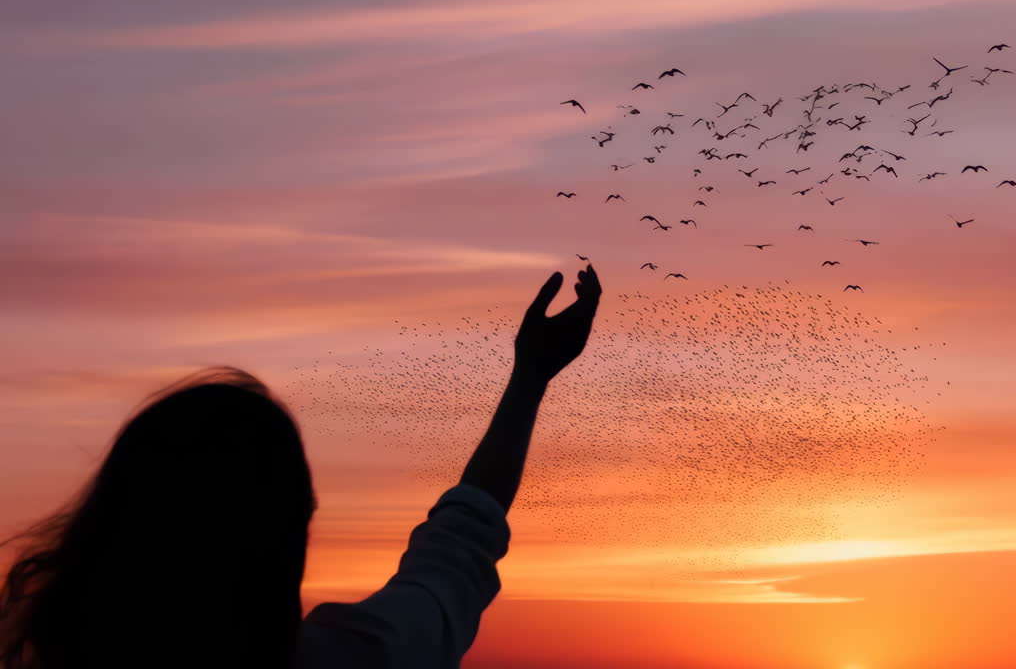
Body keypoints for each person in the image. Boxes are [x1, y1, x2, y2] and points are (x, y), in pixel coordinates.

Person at [0, 265, 602, 669]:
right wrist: (529, 379)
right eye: (295, 518)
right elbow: (458, 553)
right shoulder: (352, 658)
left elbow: (459, 549)